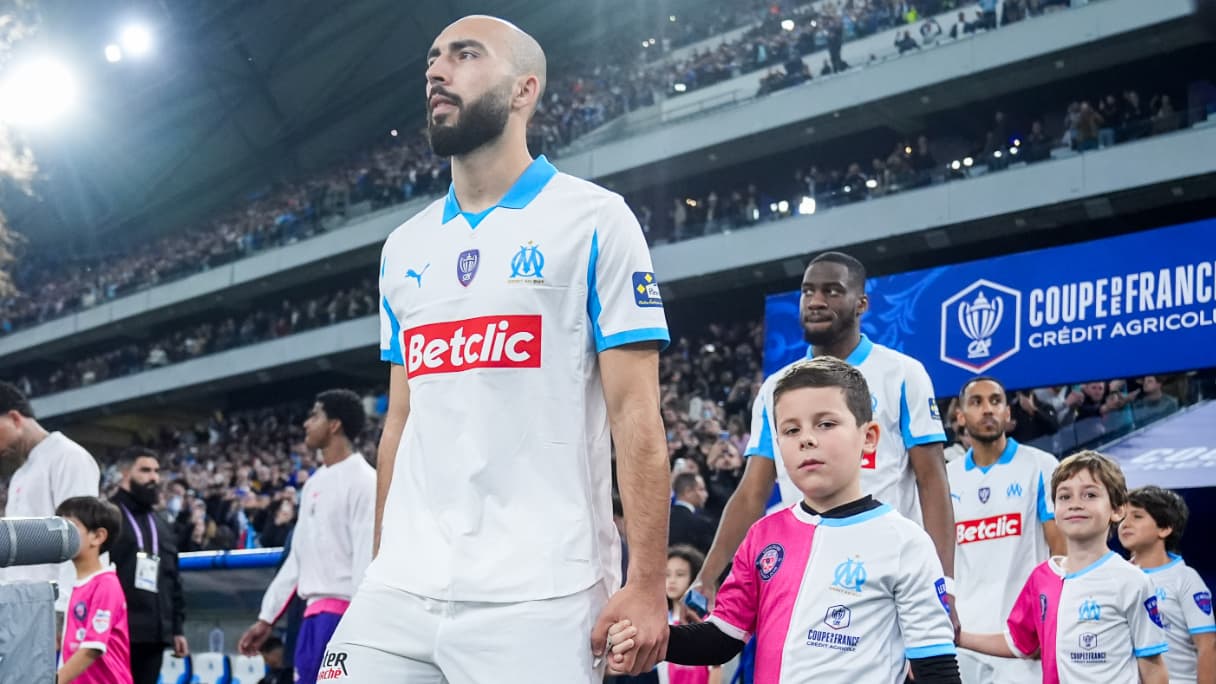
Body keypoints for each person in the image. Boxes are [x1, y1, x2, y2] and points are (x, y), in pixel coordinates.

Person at [321, 14, 672, 682]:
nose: (436, 70)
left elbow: (636, 414)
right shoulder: (404, 246)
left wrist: (648, 584)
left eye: (465, 54)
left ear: (523, 90)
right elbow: (400, 422)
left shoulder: (595, 219)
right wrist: (378, 566)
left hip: (542, 594)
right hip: (400, 588)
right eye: (432, 58)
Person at [608, 358, 960, 682]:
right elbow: (721, 639)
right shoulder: (763, 535)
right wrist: (650, 637)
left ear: (868, 438)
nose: (807, 439)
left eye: (826, 424)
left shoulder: (906, 543)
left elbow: (936, 670)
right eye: (791, 430)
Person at [692, 252, 955, 627]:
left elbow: (932, 482)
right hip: (804, 571)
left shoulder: (902, 374)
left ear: (861, 303)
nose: (815, 301)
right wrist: (707, 575)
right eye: (807, 291)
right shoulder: (775, 389)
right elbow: (751, 493)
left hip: (888, 572)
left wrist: (944, 586)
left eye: (832, 291)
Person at [959, 451, 1169, 683]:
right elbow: (1019, 643)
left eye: (1090, 495)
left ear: (1117, 509)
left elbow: (1153, 668)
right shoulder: (1041, 577)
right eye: (1065, 497)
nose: (1075, 504)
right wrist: (958, 637)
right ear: (1055, 511)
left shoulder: (1132, 581)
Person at [237, 390, 375, 684]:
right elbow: (297, 559)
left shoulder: (365, 481)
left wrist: (362, 625)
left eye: (315, 415)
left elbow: (366, 558)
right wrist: (266, 618)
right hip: (310, 617)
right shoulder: (314, 483)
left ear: (334, 425)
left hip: (345, 616)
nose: (306, 423)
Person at [946, 376, 1065, 684]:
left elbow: (1061, 552)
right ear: (960, 416)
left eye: (996, 401)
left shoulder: (1040, 465)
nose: (988, 409)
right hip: (963, 636)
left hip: (1022, 638)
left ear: (1008, 413)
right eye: (976, 402)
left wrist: (1050, 620)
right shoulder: (947, 476)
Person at [0, 381, 100, 615]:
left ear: (15, 418)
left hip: (53, 607)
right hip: (19, 607)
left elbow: (79, 538)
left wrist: (64, 612)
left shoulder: (68, 457)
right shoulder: (21, 474)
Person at [1119, 486, 1216, 683]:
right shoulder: (1116, 577)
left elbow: (1207, 645)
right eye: (1122, 517)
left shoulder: (1185, 578)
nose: (1125, 524)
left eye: (1137, 516)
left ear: (1164, 528)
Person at [108, 448, 188, 684]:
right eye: (145, 470)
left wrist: (177, 629)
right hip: (115, 632)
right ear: (125, 473)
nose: (154, 477)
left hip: (154, 634)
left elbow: (173, 579)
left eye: (156, 471)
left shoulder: (161, 523)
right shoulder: (107, 516)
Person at [55, 496, 132, 684]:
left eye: (70, 528)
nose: (61, 535)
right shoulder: (78, 584)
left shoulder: (106, 584)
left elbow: (92, 648)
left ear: (97, 537)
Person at [664, 546, 721, 684]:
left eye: (680, 574)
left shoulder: (706, 622)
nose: (672, 580)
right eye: (667, 574)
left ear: (695, 578)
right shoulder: (661, 621)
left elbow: (716, 668)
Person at [669, 473, 714, 553]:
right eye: (701, 489)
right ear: (688, 492)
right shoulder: (700, 523)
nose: (706, 495)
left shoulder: (662, 520)